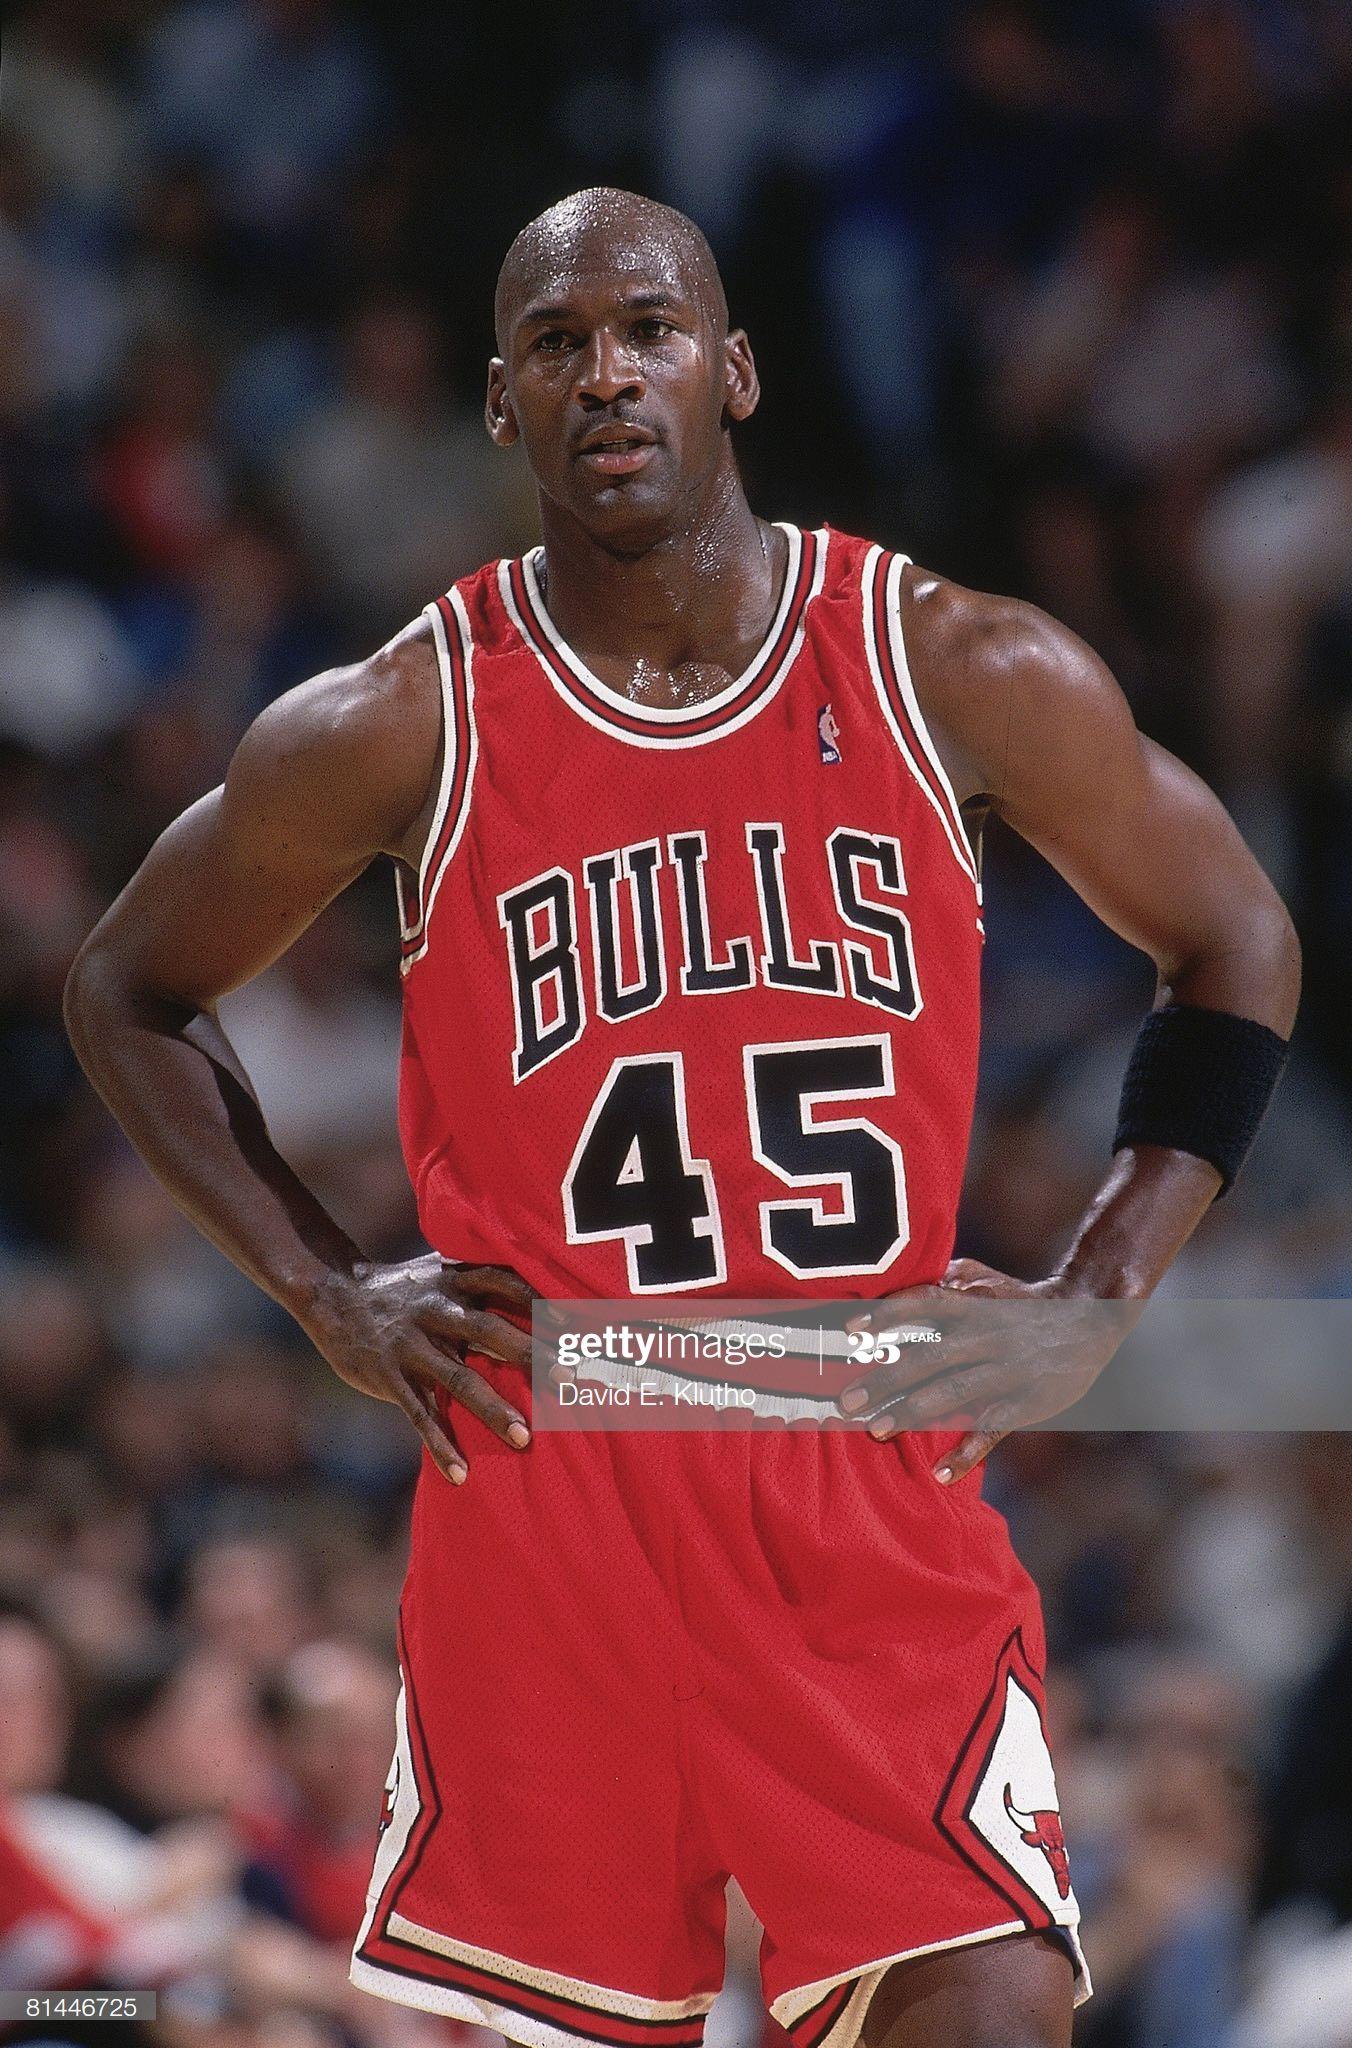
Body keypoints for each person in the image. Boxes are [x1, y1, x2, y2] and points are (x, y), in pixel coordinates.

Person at [65, 188, 1299, 2048]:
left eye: (648, 330)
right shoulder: (402, 719)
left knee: (994, 2005)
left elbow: (1235, 939)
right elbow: (126, 989)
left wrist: (1098, 1294)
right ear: (502, 403)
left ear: (733, 370)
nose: (607, 375)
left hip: (858, 1459)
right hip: (555, 1481)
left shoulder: (955, 664)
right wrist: (326, 1288)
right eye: (556, 345)